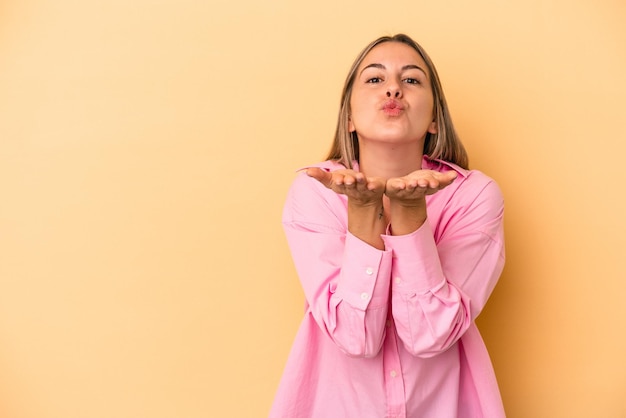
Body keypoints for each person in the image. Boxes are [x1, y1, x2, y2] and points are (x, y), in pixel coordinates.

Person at [270, 33, 505, 418]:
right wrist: (364, 214)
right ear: (348, 116)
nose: (393, 88)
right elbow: (353, 336)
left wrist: (411, 218)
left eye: (411, 79)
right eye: (375, 79)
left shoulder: (474, 196)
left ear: (434, 119)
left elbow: (432, 335)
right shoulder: (316, 193)